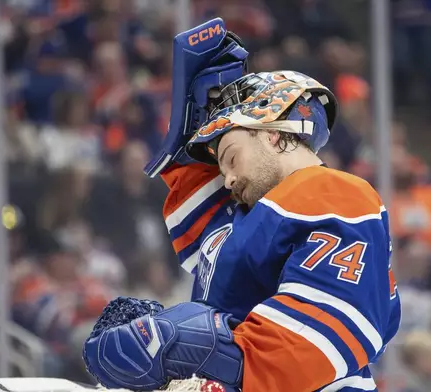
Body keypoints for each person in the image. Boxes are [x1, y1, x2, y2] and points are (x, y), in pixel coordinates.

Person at [83, 20, 400, 392]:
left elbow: (317, 338)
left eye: (231, 158)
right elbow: (204, 234)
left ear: (272, 132)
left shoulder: (332, 192)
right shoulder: (248, 216)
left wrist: (181, 346)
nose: (228, 179)